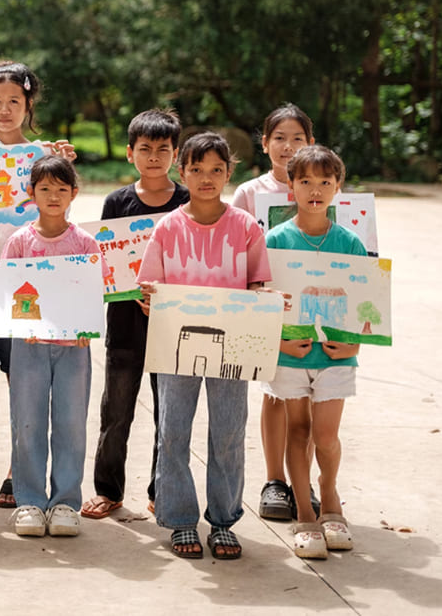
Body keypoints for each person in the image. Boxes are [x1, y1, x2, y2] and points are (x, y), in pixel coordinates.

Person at [137, 132, 276, 559]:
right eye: (197, 169)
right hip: (175, 345)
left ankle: (223, 520)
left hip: (233, 347)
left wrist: (265, 301)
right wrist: (149, 299)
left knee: (229, 433)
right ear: (183, 172)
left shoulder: (245, 227)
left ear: (229, 173)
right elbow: (149, 288)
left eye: (216, 169)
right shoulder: (167, 227)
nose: (206, 178)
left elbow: (258, 283)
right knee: (173, 431)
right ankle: (180, 519)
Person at [0, 61, 76, 509]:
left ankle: (17, 471)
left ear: (29, 104)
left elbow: (60, 212)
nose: (4, 110)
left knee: (24, 381)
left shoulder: (42, 157)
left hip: (30, 285)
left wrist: (61, 165)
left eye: (14, 101)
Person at [83, 109, 188, 520]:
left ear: (176, 153)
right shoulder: (117, 202)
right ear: (130, 153)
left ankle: (162, 491)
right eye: (145, 148)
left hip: (173, 324)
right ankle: (108, 490)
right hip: (125, 323)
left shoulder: (187, 201)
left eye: (163, 149)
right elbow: (106, 262)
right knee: (116, 412)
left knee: (170, 414)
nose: (154, 157)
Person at [264, 145, 365, 558]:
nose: (315, 190)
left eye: (325, 181)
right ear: (291, 186)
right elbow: (263, 299)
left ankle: (330, 494)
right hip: (290, 354)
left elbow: (365, 300)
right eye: (305, 181)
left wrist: (355, 342)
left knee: (326, 436)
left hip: (335, 357)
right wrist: (278, 342)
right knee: (298, 430)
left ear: (338, 187)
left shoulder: (350, 242)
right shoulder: (275, 240)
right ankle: (305, 512)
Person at [0, 156, 100, 537]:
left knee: (71, 423)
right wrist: (17, 325)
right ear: (31, 193)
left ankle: (65, 503)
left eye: (61, 189)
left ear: (74, 193)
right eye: (44, 188)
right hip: (28, 345)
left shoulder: (85, 242)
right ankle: (29, 500)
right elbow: (7, 290)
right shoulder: (20, 241)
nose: (53, 196)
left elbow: (95, 289)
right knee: (27, 421)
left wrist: (86, 325)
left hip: (73, 346)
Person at [233, 103, 319, 522]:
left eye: (297, 138)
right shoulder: (250, 193)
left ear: (311, 142)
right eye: (280, 138)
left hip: (315, 305)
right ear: (265, 143)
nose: (288, 147)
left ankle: (303, 483)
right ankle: (274, 480)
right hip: (268, 304)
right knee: (274, 391)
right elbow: (236, 248)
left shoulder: (322, 186)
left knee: (310, 395)